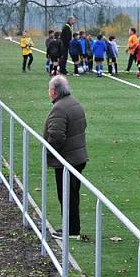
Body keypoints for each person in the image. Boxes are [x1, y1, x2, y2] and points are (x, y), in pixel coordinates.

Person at [43, 75, 88, 241]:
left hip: (67, 159)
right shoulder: (74, 103)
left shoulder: (59, 109)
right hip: (77, 157)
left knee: (67, 196)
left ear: (54, 91)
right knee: (71, 195)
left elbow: (57, 136)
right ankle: (72, 228)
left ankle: (71, 230)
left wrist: (48, 151)